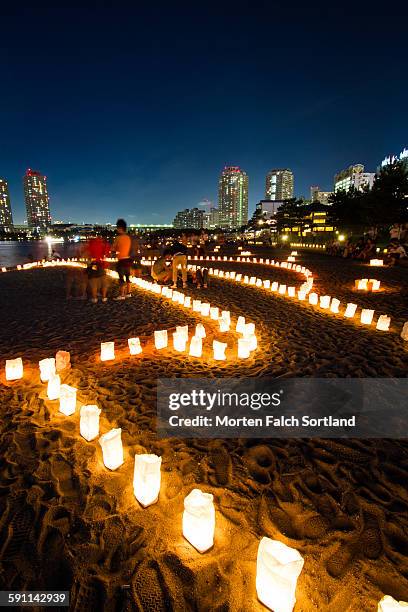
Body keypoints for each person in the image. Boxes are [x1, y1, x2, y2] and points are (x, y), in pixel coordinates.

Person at [112, 218, 132, 300]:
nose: (117, 230)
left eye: (117, 228)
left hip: (121, 260)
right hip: (128, 260)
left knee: (121, 278)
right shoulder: (128, 238)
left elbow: (113, 249)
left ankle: (121, 295)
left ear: (120, 228)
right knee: (127, 277)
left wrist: (115, 252)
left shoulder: (118, 238)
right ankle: (129, 293)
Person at [86, 236, 110, 303]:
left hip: (94, 264)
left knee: (93, 281)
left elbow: (88, 254)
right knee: (103, 281)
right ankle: (104, 297)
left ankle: (94, 298)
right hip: (101, 264)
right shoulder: (103, 245)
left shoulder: (91, 244)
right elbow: (106, 253)